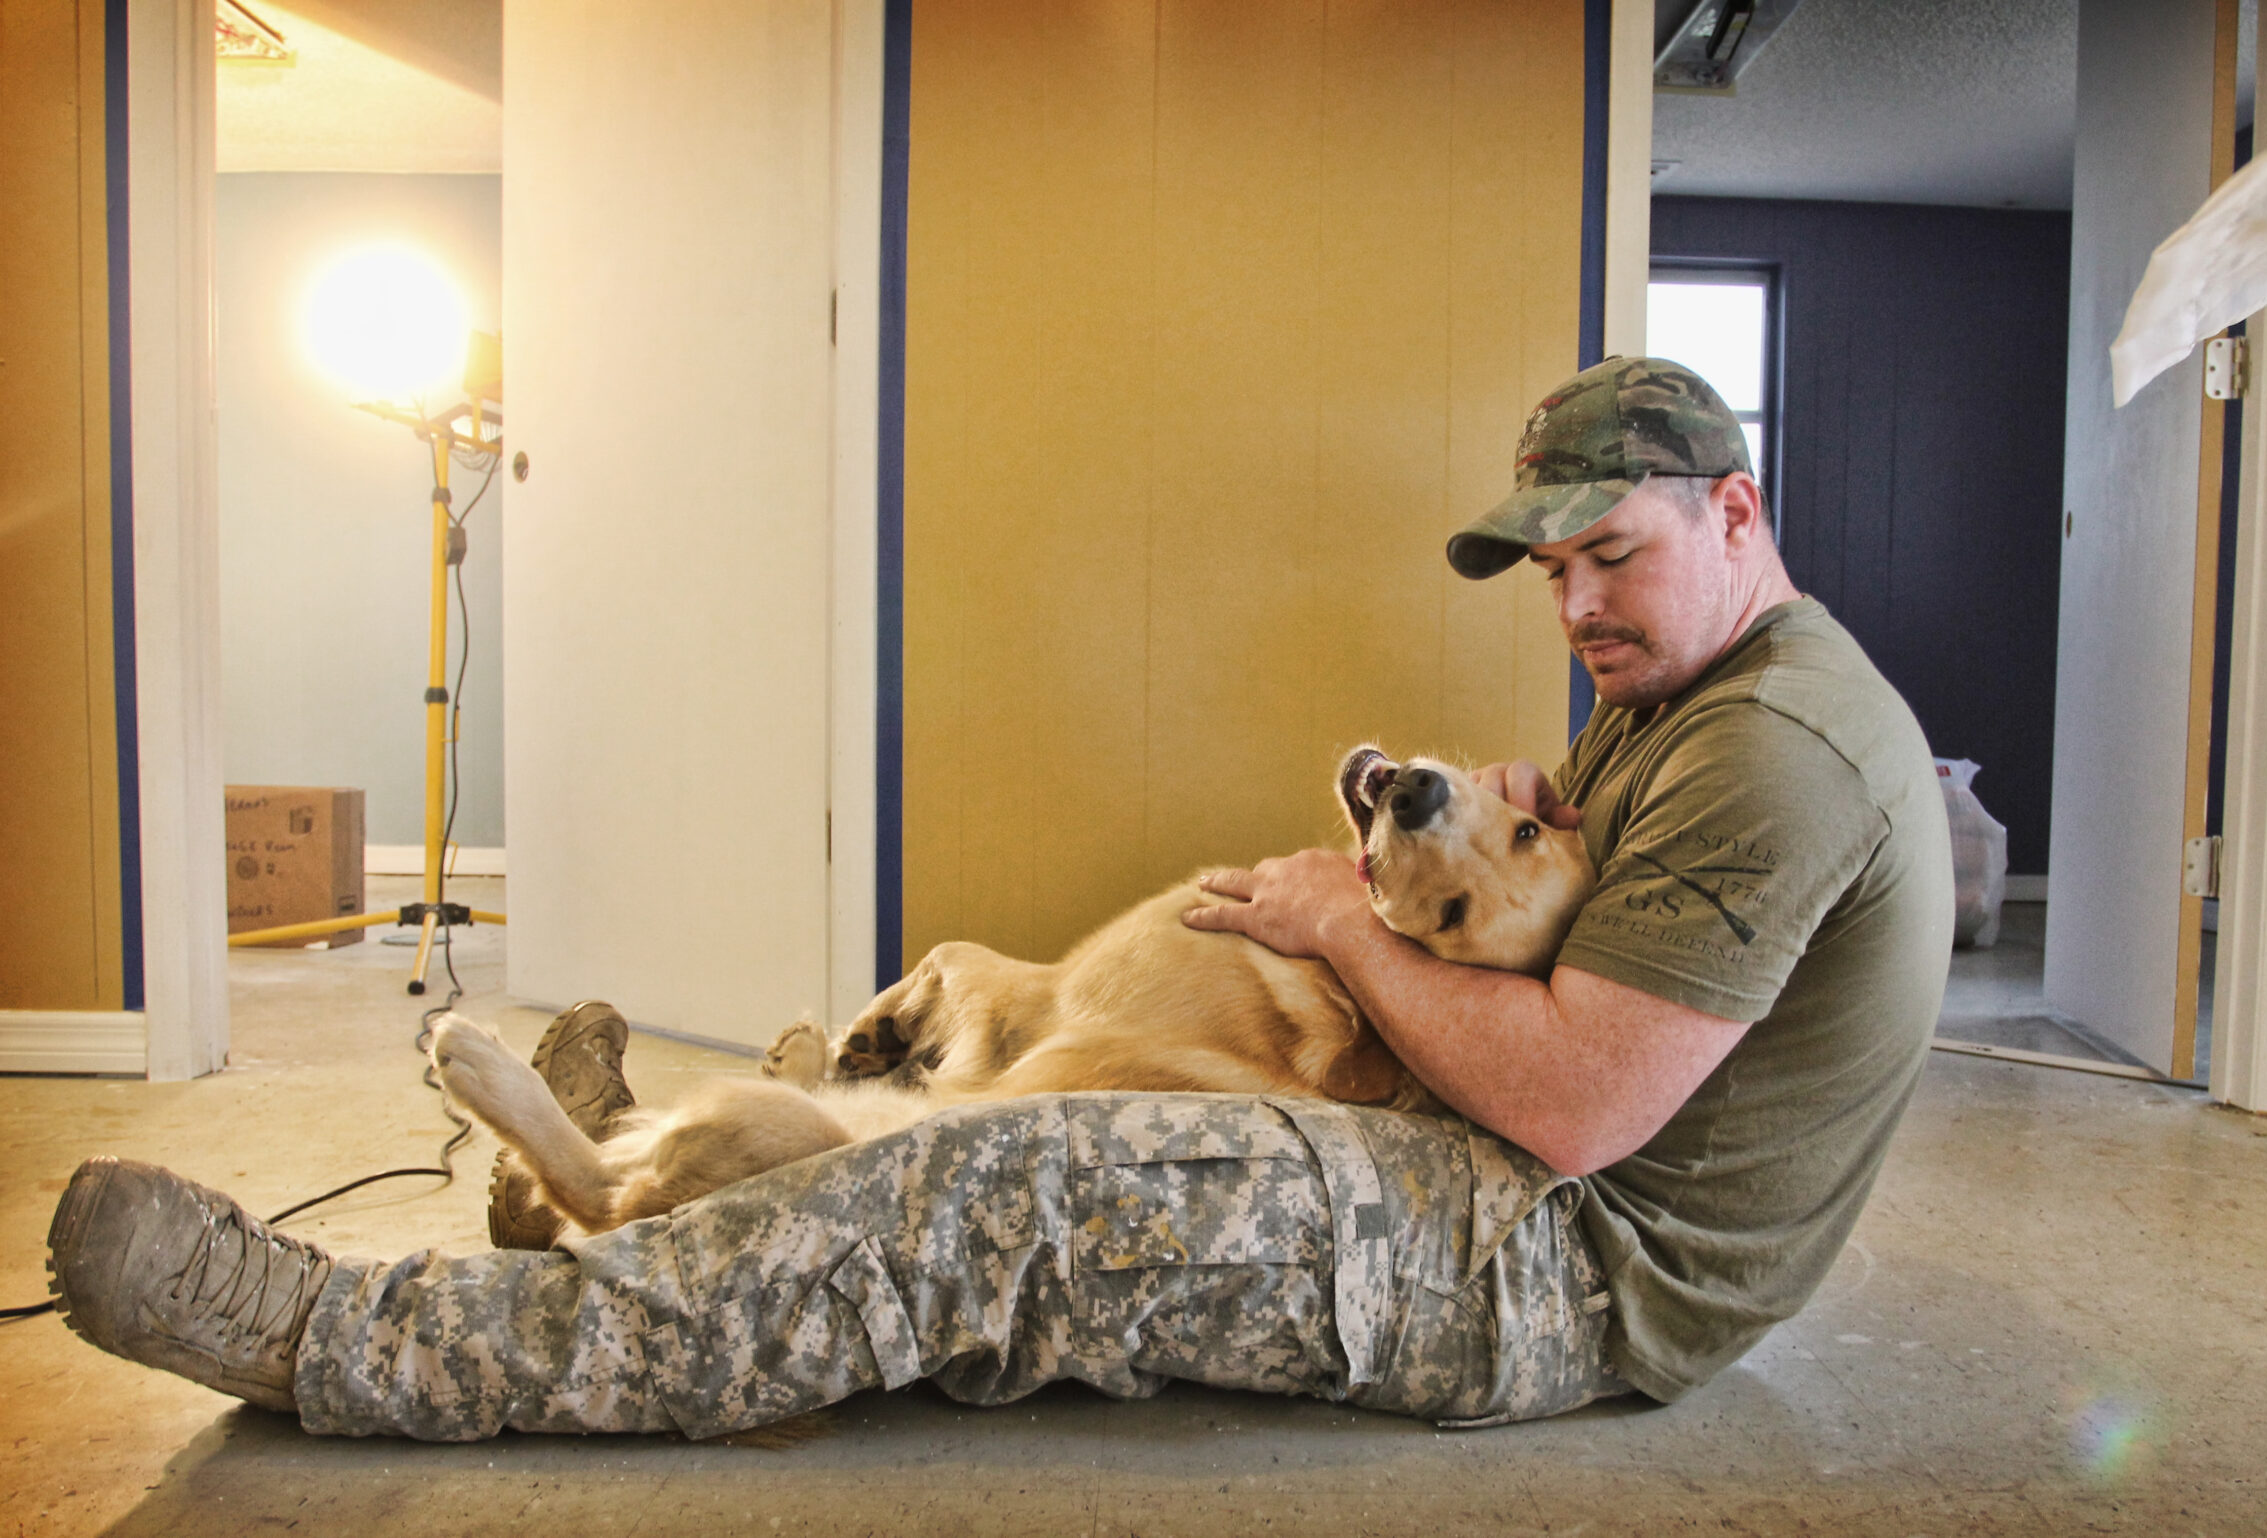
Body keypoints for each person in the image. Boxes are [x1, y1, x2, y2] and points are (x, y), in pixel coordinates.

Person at [46, 356, 1950, 1439]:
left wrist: (1338, 922)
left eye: (1611, 556)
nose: (1578, 607)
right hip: (1512, 1173)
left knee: (997, 1190)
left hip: (1555, 1263)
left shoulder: (1779, 750)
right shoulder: (1686, 684)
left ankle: (348, 1342)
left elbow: (1581, 1105)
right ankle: (623, 1170)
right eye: (1551, 575)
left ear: (1737, 513)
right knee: (1002, 1066)